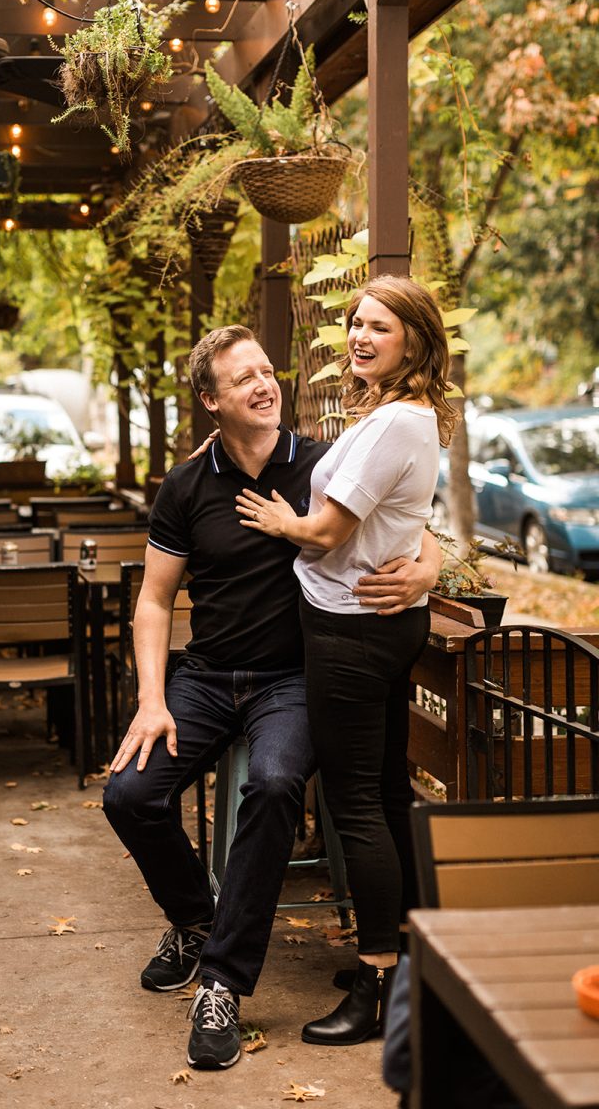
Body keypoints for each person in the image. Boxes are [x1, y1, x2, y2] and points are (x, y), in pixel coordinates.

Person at [102, 322, 441, 1071]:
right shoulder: (187, 485)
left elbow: (409, 518)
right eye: (242, 379)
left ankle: (222, 982)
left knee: (278, 781)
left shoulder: (321, 464)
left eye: (266, 371)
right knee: (128, 795)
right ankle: (198, 922)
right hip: (206, 676)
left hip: (294, 678)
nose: (264, 385)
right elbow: (154, 601)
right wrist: (153, 699)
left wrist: (429, 569)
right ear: (210, 401)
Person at [237, 275, 458, 1047]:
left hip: (352, 632)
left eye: (380, 327)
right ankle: (408, 954)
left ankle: (378, 981)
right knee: (387, 793)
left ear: (415, 341)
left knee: (355, 803)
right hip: (375, 625)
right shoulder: (399, 416)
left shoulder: (397, 421)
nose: (361, 336)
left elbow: (329, 532)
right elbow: (404, 518)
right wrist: (426, 561)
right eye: (357, 323)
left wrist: (282, 521)